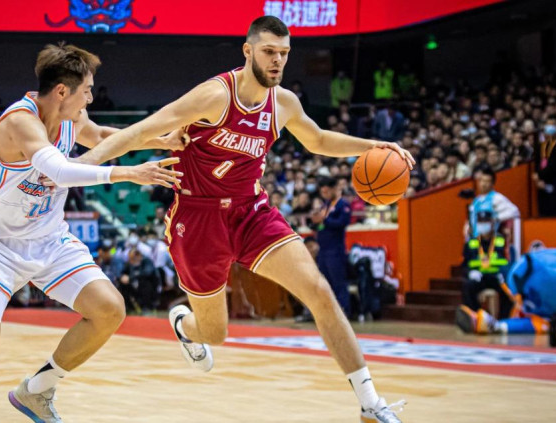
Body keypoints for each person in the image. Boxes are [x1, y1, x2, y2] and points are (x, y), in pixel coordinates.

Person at [79, 17, 413, 422]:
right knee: (215, 333)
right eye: (269, 51)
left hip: (251, 211)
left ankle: (370, 403)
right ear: (248, 50)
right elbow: (137, 133)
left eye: (284, 53)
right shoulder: (214, 95)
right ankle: (185, 326)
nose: (277, 61)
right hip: (198, 217)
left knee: (319, 291)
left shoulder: (284, 103)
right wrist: (79, 166)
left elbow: (319, 140)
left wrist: (374, 144)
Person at [0, 43, 183, 423]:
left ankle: (37, 389)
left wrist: (160, 140)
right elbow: (61, 172)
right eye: (87, 90)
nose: (91, 98)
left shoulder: (71, 117)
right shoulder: (19, 122)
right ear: (62, 91)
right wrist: (129, 173)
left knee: (109, 310)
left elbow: (102, 136)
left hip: (49, 240)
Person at [455, 210, 511, 332]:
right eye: (480, 222)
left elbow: (507, 261)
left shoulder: (501, 241)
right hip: (479, 277)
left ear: (492, 223)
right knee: (468, 286)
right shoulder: (471, 243)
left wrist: (504, 273)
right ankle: (474, 319)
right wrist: (470, 272)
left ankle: (502, 322)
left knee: (508, 290)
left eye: (486, 221)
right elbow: (464, 265)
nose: (483, 225)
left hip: (496, 277)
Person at [311, 177, 352, 316]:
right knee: (325, 283)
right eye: (323, 192)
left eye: (327, 192)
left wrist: (324, 219)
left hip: (335, 249)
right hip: (323, 249)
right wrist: (315, 222)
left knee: (338, 282)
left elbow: (342, 223)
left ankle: (344, 312)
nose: (325, 195)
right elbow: (320, 225)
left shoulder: (343, 204)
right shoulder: (326, 205)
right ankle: (328, 313)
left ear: (335, 189)